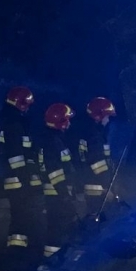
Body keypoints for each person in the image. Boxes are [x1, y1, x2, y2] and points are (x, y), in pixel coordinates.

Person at [0, 85, 44, 269]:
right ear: (19, 103)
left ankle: (18, 259)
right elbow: (16, 157)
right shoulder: (13, 124)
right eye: (26, 104)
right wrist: (26, 180)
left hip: (20, 182)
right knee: (22, 222)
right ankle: (18, 261)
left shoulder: (14, 122)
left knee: (21, 223)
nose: (27, 108)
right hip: (20, 183)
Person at [36, 102, 78, 259]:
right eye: (67, 119)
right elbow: (55, 172)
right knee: (58, 231)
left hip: (56, 195)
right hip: (57, 196)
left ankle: (54, 261)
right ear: (60, 121)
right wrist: (64, 194)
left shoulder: (52, 139)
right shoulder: (52, 142)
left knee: (59, 230)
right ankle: (53, 263)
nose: (69, 123)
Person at [76, 96, 117, 210]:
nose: (108, 120)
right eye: (107, 116)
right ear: (99, 116)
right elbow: (98, 163)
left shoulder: (89, 132)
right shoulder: (95, 136)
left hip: (92, 185)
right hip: (98, 188)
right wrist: (106, 188)